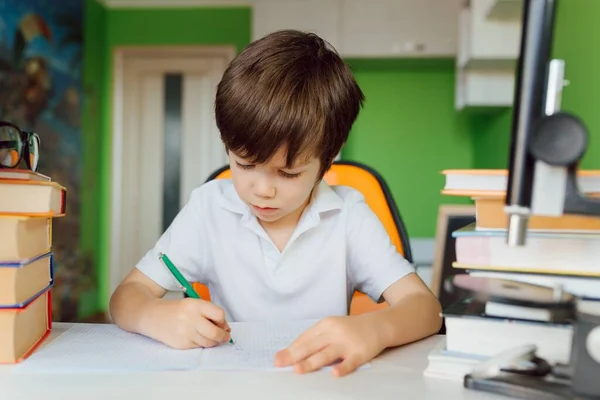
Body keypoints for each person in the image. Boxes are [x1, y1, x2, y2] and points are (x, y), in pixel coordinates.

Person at [109, 29, 442, 377]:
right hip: (232, 381)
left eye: (288, 173)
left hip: (320, 383)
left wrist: (374, 329)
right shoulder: (208, 209)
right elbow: (127, 296)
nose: (262, 190)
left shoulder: (347, 216)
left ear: (326, 165)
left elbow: (426, 309)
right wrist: (153, 316)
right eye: (245, 164)